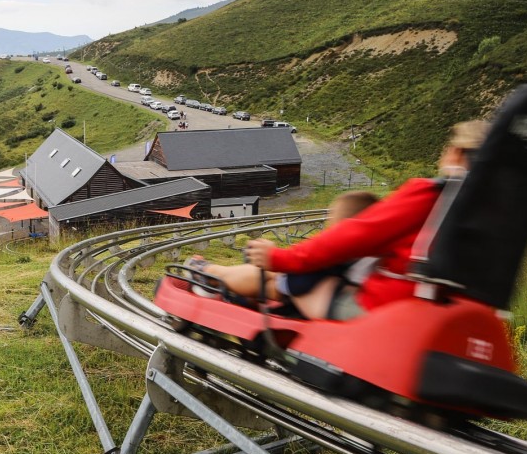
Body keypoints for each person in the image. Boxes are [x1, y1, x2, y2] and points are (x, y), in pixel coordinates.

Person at [243, 120, 490, 318]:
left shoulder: (431, 195)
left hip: (392, 310)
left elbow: (353, 236)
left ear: (456, 153)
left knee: (295, 283)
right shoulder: (488, 214)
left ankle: (210, 274)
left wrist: (280, 257)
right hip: (453, 316)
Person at [186, 191, 378, 319]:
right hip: (334, 295)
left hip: (320, 298)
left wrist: (284, 271)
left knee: (271, 281)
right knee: (274, 279)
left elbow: (302, 278)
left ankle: (207, 273)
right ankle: (230, 286)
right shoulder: (371, 251)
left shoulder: (343, 249)